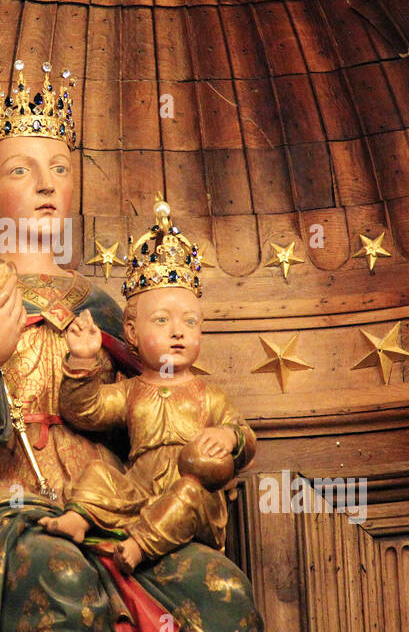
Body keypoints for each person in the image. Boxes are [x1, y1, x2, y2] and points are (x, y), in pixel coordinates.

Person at [0, 60, 263, 632]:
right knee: (61, 577)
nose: (45, 184)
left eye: (59, 168)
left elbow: (153, 410)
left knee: (223, 592)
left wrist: (214, 441)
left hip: (114, 507)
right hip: (6, 507)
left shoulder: (102, 308)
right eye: (21, 169)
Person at [39, 201, 257, 575]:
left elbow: (245, 436)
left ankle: (138, 546)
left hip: (194, 499)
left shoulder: (209, 395)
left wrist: (228, 436)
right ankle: (78, 518)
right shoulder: (131, 391)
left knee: (187, 495)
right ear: (132, 334)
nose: (178, 331)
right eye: (162, 320)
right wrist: (82, 360)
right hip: (139, 493)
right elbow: (84, 410)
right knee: (97, 472)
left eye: (190, 321)